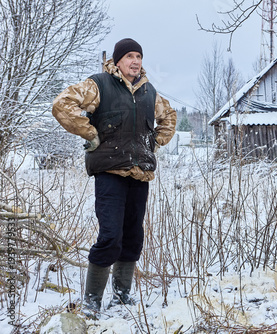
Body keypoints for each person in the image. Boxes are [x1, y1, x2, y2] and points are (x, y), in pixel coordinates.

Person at [52, 38, 177, 316]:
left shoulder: (149, 92)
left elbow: (169, 117)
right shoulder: (99, 84)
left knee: (133, 236)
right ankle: (92, 301)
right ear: (117, 60)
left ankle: (122, 296)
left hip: (140, 174)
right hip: (110, 172)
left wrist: (154, 143)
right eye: (130, 56)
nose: (136, 61)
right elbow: (63, 104)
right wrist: (90, 133)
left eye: (139, 56)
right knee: (110, 235)